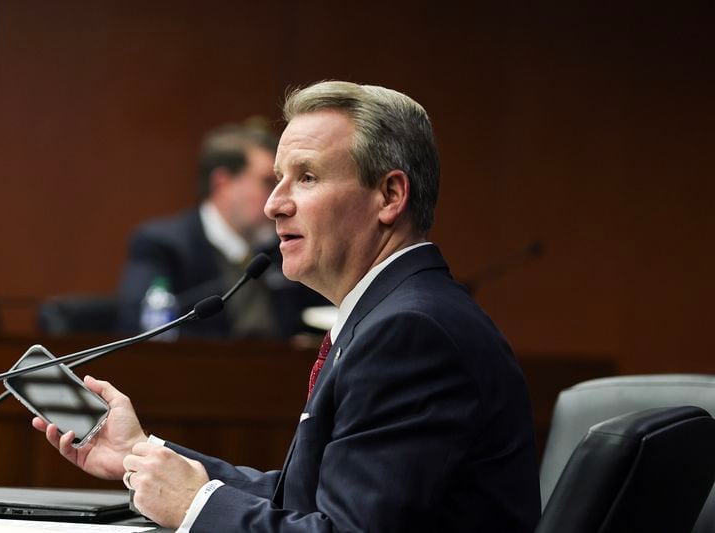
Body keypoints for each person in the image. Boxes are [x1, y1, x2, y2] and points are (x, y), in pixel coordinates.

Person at [35, 81, 541, 531]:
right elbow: (302, 498)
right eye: (276, 177)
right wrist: (139, 454)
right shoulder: (390, 313)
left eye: (307, 177)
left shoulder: (411, 331)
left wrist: (195, 508)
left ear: (390, 196)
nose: (274, 203)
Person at [117, 120, 323, 339]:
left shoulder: (279, 246)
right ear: (222, 183)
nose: (277, 197)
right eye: (268, 182)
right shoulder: (163, 245)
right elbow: (141, 329)